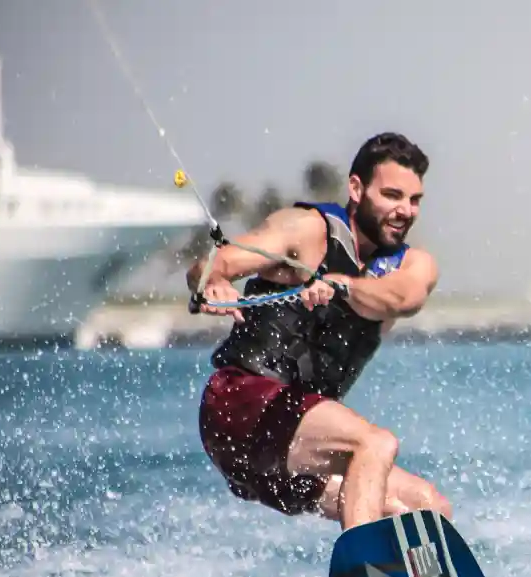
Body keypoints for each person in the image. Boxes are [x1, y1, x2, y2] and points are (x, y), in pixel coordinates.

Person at [189, 132, 452, 531]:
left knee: (426, 507)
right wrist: (212, 281)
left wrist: (343, 286)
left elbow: (402, 296)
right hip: (238, 410)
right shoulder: (306, 231)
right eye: (392, 195)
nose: (405, 210)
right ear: (356, 188)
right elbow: (214, 263)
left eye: (414, 201)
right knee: (374, 444)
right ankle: (366, 568)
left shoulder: (411, 266)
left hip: (289, 457)